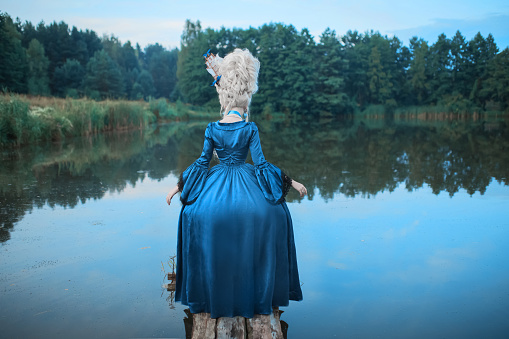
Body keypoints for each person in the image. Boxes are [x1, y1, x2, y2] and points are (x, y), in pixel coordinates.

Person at [166, 48, 306, 319]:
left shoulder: (211, 128)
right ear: (246, 97)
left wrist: (179, 187)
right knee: (275, 212)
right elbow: (262, 165)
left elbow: (202, 163)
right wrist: (292, 182)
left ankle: (211, 290)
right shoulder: (250, 128)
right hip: (245, 177)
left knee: (193, 212)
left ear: (225, 96)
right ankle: (254, 289)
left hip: (216, 182)